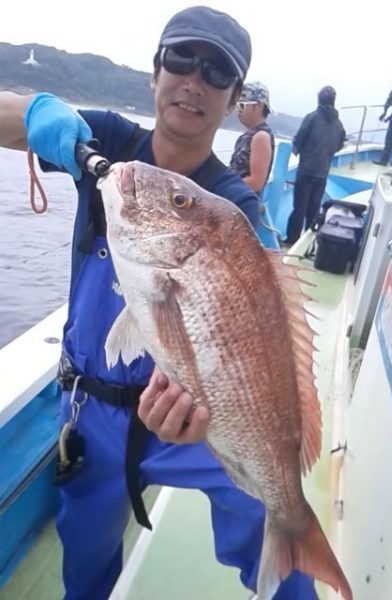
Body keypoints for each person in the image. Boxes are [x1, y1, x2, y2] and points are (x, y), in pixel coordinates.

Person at [0, 6, 318, 600]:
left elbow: (261, 344)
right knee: (86, 561)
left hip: (196, 422)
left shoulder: (233, 215)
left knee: (283, 562)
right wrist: (39, 110)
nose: (194, 80)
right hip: (90, 411)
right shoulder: (110, 146)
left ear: (233, 102)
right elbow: (7, 120)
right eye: (181, 59)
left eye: (217, 73)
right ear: (155, 75)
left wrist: (212, 415)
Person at [283, 86, 346, 246]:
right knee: (313, 210)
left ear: (319, 99)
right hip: (322, 173)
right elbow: (339, 145)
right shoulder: (339, 124)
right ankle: (308, 244)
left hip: (306, 170)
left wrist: (298, 148)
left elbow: (299, 139)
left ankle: (292, 240)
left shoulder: (312, 118)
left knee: (299, 208)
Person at [229, 81, 275, 196]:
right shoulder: (248, 135)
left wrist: (223, 185)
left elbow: (256, 182)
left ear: (258, 106)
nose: (238, 110)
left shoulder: (261, 137)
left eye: (242, 105)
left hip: (242, 203)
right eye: (237, 105)